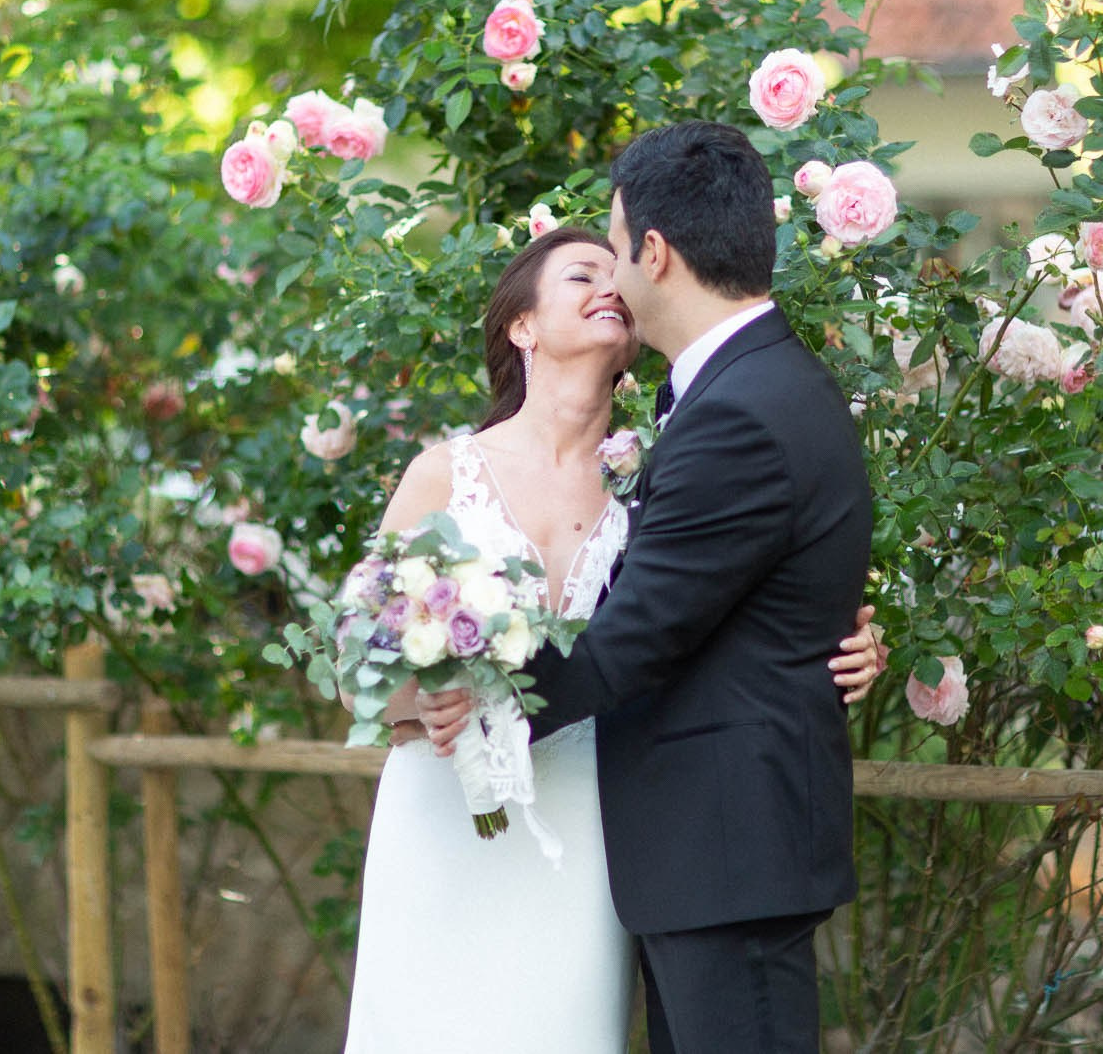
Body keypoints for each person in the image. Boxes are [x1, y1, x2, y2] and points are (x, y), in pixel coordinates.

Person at [344, 222, 885, 1053]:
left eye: (615, 272)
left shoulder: (658, 476)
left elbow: (709, 614)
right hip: (447, 810)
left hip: (592, 818)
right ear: (522, 325)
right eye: (578, 276)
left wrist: (832, 635)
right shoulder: (445, 475)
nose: (608, 285)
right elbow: (360, 669)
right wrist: (430, 695)